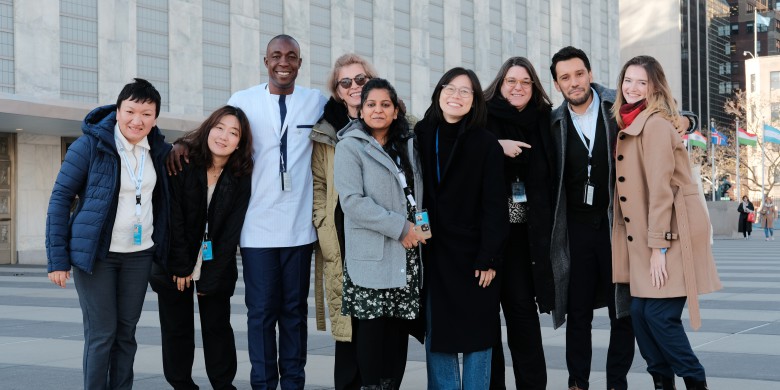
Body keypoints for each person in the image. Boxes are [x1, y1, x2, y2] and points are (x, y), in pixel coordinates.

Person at [169, 34, 327, 389]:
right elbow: (218, 134)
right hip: (256, 230)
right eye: (276, 55)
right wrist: (182, 142)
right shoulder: (243, 100)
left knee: (294, 315)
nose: (283, 62)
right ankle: (263, 384)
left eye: (291, 56)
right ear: (265, 60)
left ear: (300, 63)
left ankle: (293, 384)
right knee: (259, 315)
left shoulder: (316, 102)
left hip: (300, 230)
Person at [46, 78, 171, 389]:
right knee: (102, 333)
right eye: (131, 111)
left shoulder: (158, 151)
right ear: (118, 111)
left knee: (126, 333)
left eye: (146, 113)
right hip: (97, 256)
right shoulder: (89, 145)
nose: (137, 120)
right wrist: (57, 259)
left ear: (155, 118)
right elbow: (61, 198)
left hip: (138, 256)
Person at [610, 54, 722, 390]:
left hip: (670, 234)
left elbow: (660, 189)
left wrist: (658, 246)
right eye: (627, 80)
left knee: (658, 316)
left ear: (655, 86)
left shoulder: (656, 124)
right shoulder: (631, 121)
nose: (632, 87)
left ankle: (694, 380)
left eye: (641, 82)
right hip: (650, 235)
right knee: (642, 317)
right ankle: (663, 383)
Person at [415, 67, 509, 389]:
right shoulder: (422, 134)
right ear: (439, 92)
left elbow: (496, 207)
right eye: (450, 88)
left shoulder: (486, 143)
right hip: (435, 254)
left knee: (478, 340)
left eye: (465, 91)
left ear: (474, 101)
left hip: (475, 258)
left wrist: (489, 258)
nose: (456, 96)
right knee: (438, 338)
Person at [548, 46, 635, 390]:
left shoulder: (619, 106)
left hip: (617, 227)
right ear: (557, 84)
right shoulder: (553, 122)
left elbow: (665, 112)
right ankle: (577, 382)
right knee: (578, 313)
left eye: (579, 74)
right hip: (576, 232)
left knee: (622, 312)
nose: (574, 82)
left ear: (590, 73)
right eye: (565, 77)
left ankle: (616, 383)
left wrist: (688, 122)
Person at [150, 106, 253, 390]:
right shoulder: (181, 161)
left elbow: (232, 230)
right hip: (175, 257)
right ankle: (181, 384)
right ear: (208, 128)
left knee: (218, 327)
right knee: (176, 328)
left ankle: (223, 384)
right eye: (220, 127)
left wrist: (213, 274)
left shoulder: (241, 175)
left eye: (234, 133)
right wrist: (181, 265)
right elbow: (173, 218)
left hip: (215, 262)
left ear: (240, 142)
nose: (224, 136)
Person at [333, 78, 426, 390]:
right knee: (371, 337)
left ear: (396, 111)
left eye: (385, 104)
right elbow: (352, 202)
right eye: (371, 104)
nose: (378, 110)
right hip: (370, 258)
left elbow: (420, 194)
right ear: (361, 110)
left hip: (406, 257)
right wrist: (400, 228)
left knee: (397, 337)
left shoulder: (409, 146)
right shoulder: (350, 147)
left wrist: (420, 230)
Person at [483, 57, 555, 390]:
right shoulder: (481, 118)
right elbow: (440, 132)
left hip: (525, 240)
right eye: (511, 81)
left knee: (524, 321)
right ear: (499, 84)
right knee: (485, 327)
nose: (518, 87)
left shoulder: (546, 120)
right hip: (485, 240)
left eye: (525, 82)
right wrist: (495, 146)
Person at [311, 53, 379, 390]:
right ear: (338, 91)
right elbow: (319, 185)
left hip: (380, 236)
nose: (354, 87)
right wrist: (322, 224)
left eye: (361, 79)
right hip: (339, 237)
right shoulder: (326, 131)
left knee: (377, 329)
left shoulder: (392, 119)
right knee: (346, 328)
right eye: (346, 82)